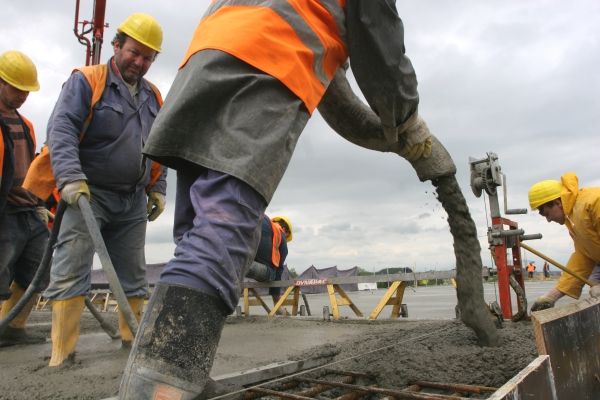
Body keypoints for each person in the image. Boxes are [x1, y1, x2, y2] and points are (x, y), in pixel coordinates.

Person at [119, 2, 446, 398]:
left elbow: (335, 89)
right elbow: (383, 57)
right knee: (225, 228)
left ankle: (170, 369)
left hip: (202, 65)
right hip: (266, 68)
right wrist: (407, 121)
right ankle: (160, 385)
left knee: (196, 234)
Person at [36, 13, 167, 367]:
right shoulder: (87, 81)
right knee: (71, 267)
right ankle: (62, 355)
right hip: (87, 194)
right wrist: (69, 178)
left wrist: (158, 187)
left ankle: (129, 345)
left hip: (132, 200)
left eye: (147, 57)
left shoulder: (154, 96)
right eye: (134, 53)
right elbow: (61, 130)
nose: (139, 62)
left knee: (133, 275)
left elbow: (163, 144)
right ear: (117, 45)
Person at [0, 50, 49, 347]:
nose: (22, 96)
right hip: (3, 210)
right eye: (17, 88)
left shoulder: (26, 124)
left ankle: (12, 327)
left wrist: (40, 202)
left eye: (26, 91)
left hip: (27, 209)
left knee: (38, 271)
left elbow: (30, 167)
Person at [528, 173, 600, 311]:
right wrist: (553, 295)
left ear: (557, 203)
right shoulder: (572, 217)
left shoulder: (594, 202)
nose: (548, 220)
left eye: (546, 214)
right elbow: (584, 257)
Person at [246, 215, 292, 306]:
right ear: (285, 230)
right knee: (273, 274)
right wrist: (277, 303)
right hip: (263, 270)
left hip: (237, 257)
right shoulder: (280, 234)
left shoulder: (263, 219)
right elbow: (278, 271)